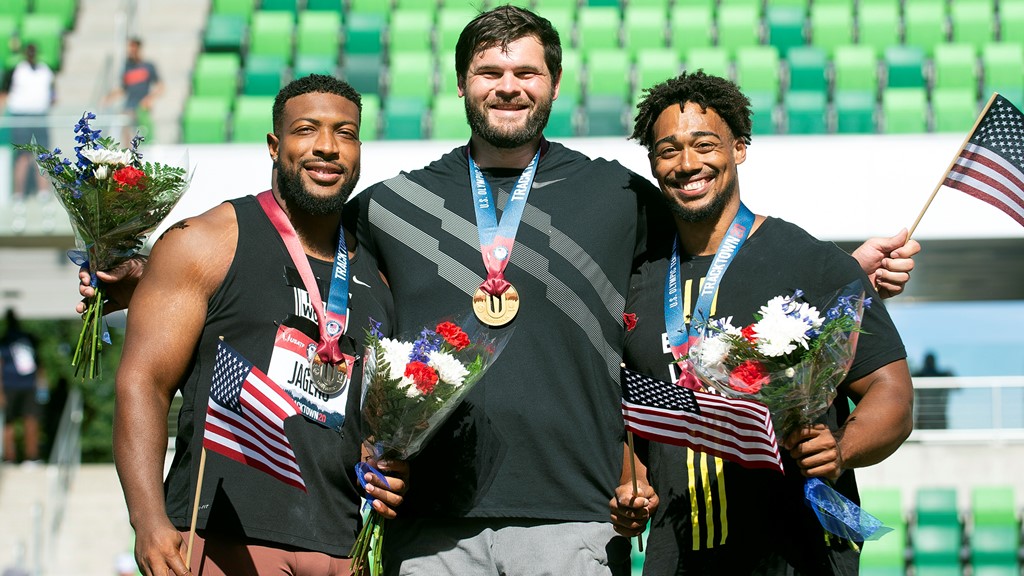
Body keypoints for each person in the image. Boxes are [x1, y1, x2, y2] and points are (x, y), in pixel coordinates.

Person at [351, 6, 917, 576]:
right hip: (433, 527)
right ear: (459, 83)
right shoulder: (387, 208)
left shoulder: (619, 194)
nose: (508, 87)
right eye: (489, 73)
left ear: (554, 83)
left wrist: (843, 275)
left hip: (581, 525)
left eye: (526, 72)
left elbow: (725, 249)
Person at [106, 74, 406, 575]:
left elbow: (374, 421)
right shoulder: (205, 243)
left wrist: (390, 467)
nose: (327, 147)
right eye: (306, 129)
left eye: (345, 133)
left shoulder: (378, 270)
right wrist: (148, 519)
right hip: (221, 538)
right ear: (274, 144)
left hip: (342, 547)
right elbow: (144, 382)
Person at [618, 71, 914, 575]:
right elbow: (628, 417)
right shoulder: (634, 279)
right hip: (674, 558)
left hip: (797, 555)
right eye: (668, 151)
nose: (687, 164)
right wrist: (630, 484)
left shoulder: (814, 264)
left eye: (705, 145)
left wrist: (840, 449)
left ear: (739, 148)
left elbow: (893, 393)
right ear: (652, 163)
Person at [1, 43, 55, 199]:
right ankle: (19, 193)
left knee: (42, 156)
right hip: (21, 117)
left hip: (40, 116)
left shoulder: (45, 70)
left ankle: (43, 192)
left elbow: (53, 94)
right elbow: (4, 93)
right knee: (23, 156)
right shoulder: (16, 70)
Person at [1, 308, 47, 464]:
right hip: (9, 386)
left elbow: (39, 363)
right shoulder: (4, 341)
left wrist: (42, 386)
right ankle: (9, 457)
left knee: (31, 420)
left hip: (29, 386)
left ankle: (32, 457)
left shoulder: (28, 339)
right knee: (8, 422)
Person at [103, 37, 162, 144]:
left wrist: (149, 99)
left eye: (132, 47)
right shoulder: (127, 68)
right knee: (126, 130)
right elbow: (123, 89)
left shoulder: (148, 66)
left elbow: (160, 86)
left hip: (142, 108)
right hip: (129, 106)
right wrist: (109, 97)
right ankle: (129, 153)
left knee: (144, 134)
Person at [912, 351, 953, 430]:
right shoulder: (919, 376)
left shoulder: (919, 376)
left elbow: (958, 388)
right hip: (925, 415)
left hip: (935, 415)